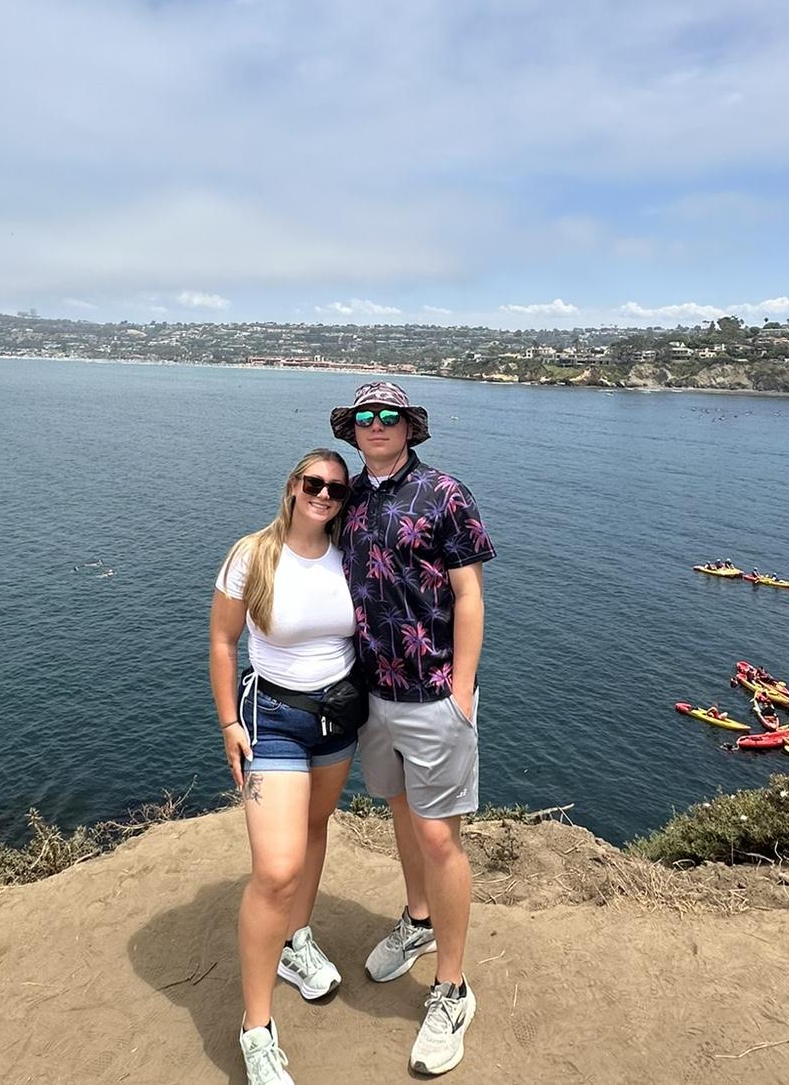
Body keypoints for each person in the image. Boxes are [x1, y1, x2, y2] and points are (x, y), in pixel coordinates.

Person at [329, 380, 495, 1078]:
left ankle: (452, 990)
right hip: (373, 693)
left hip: (432, 696)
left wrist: (460, 694)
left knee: (438, 835)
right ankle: (418, 922)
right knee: (401, 816)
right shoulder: (349, 498)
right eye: (363, 416)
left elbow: (469, 596)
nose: (374, 425)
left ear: (408, 426)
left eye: (386, 416)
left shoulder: (445, 493)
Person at [209, 449, 363, 1085]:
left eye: (336, 489)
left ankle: (296, 943)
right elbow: (222, 640)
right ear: (294, 487)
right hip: (271, 717)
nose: (324, 494)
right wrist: (228, 724)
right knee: (275, 869)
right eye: (314, 483)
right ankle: (256, 1028)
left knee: (316, 827)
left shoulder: (351, 555)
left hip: (338, 719)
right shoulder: (255, 553)